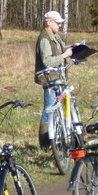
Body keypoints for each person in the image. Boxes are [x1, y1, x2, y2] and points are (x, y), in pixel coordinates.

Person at [34, 10, 75, 149]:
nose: (60, 25)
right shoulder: (45, 38)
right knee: (49, 111)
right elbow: (47, 61)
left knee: (59, 110)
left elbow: (61, 51)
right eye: (58, 23)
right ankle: (45, 145)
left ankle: (57, 139)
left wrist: (73, 48)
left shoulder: (55, 36)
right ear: (49, 22)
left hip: (59, 78)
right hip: (50, 80)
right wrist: (64, 56)